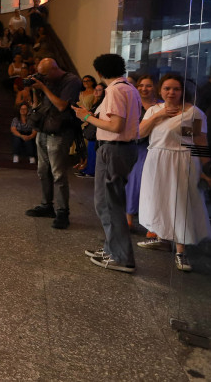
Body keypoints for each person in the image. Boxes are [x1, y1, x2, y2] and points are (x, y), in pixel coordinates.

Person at [74, 53, 143, 273]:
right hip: (123, 149)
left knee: (108, 203)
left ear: (99, 72)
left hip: (114, 149)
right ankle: (112, 249)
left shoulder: (114, 90)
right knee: (109, 201)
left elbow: (115, 126)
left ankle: (121, 257)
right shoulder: (130, 88)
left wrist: (86, 117)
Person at [134, 74, 210, 271]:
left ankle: (181, 251)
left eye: (176, 89)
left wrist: (206, 169)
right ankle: (162, 238)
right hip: (156, 159)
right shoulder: (154, 110)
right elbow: (140, 132)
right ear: (160, 90)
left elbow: (199, 141)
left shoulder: (192, 112)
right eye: (167, 88)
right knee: (157, 200)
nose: (171, 92)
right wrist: (158, 115)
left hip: (180, 159)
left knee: (179, 204)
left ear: (182, 91)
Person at [24, 58, 82, 230]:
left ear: (54, 70)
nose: (42, 77)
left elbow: (62, 106)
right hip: (43, 129)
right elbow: (37, 105)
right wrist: (35, 90)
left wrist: (43, 87)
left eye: (44, 74)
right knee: (42, 171)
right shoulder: (47, 81)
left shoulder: (71, 81)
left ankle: (63, 212)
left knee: (58, 174)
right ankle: (46, 205)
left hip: (60, 132)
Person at [125, 74, 160, 228]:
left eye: (148, 85)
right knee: (133, 182)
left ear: (155, 87)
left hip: (155, 148)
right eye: (141, 85)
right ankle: (129, 217)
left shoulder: (161, 106)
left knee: (152, 185)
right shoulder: (132, 104)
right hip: (136, 148)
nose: (144, 89)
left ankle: (152, 223)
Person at [75, 83, 105, 178]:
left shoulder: (104, 102)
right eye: (95, 89)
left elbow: (100, 116)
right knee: (90, 151)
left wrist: (90, 116)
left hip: (97, 130)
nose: (96, 92)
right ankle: (88, 169)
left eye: (99, 90)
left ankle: (91, 171)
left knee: (92, 150)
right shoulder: (97, 102)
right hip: (93, 129)